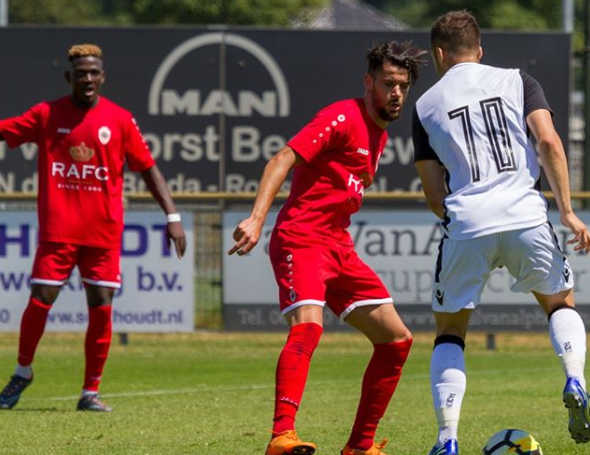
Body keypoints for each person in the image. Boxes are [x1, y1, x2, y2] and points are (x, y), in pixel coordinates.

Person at [228, 40, 426, 455]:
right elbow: (282, 158)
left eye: (403, 86)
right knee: (308, 327)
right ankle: (282, 436)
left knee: (397, 340)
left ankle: (360, 446)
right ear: (368, 82)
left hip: (338, 246)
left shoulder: (379, 136)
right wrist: (257, 218)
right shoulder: (342, 115)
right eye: (388, 83)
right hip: (300, 239)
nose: (396, 93)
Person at [412, 10, 590, 455]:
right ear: (479, 49)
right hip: (526, 214)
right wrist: (567, 211)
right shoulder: (517, 80)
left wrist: (459, 222)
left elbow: (435, 194)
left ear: (439, 53)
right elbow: (548, 142)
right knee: (558, 303)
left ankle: (447, 439)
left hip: (468, 221)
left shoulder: (424, 105)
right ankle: (575, 378)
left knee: (450, 331)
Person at [0, 44, 187, 412]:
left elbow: (148, 169)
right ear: (69, 76)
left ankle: (90, 392)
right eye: (81, 72)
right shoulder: (46, 114)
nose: (87, 78)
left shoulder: (119, 119)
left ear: (102, 77)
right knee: (40, 300)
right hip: (58, 233)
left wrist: (173, 216)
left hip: (103, 235)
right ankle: (22, 371)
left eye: (94, 72)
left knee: (101, 306)